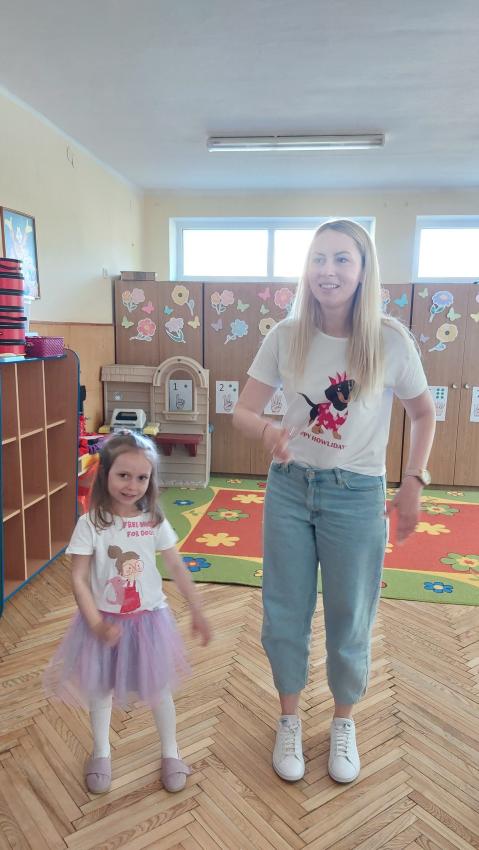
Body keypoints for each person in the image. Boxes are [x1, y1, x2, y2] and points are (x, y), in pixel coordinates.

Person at [233, 219, 435, 784]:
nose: (328, 270)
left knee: (350, 617)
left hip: (358, 495)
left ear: (363, 269)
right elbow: (243, 410)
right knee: (284, 612)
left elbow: (424, 413)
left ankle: (343, 722)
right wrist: (267, 431)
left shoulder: (390, 340)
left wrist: (414, 480)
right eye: (318, 258)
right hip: (290, 489)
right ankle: (290, 719)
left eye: (342, 258)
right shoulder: (285, 335)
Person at [45, 430, 211, 794]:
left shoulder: (153, 520)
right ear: (105, 473)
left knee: (158, 689)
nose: (132, 485)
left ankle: (171, 751)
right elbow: (78, 578)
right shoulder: (91, 523)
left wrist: (197, 609)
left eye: (141, 477)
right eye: (123, 475)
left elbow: (177, 566)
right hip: (102, 624)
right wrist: (94, 623)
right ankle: (101, 751)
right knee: (101, 688)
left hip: (149, 623)